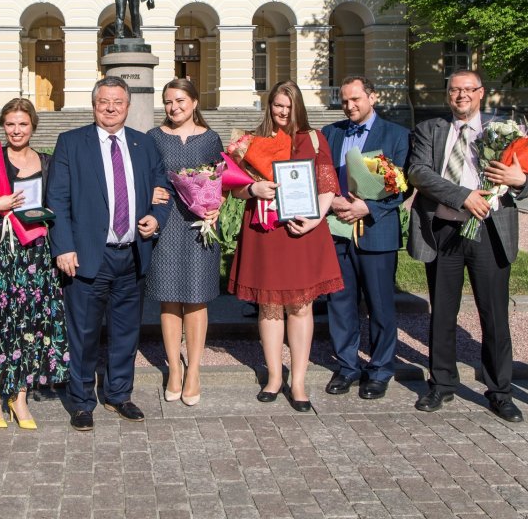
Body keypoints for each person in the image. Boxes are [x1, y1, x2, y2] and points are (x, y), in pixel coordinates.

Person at [406, 69, 528, 422]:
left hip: (490, 232)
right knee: (442, 314)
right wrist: (463, 197)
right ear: (447, 95)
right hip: (445, 230)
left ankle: (500, 391)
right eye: (454, 90)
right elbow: (418, 172)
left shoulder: (506, 132)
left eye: (468, 89)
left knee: (494, 316)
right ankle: (442, 383)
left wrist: (520, 180)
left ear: (481, 93)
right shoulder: (429, 130)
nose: (461, 95)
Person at [47, 76, 171, 431]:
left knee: (125, 331)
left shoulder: (143, 144)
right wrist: (64, 247)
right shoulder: (71, 143)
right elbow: (57, 199)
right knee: (83, 333)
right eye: (104, 101)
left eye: (118, 102)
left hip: (132, 254)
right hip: (87, 255)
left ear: (128, 106)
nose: (111, 108)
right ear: (94, 104)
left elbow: (162, 189)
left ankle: (119, 394)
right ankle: (83, 401)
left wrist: (155, 218)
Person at [227, 80, 341, 412]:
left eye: (288, 106)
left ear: (299, 107)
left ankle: (300, 380)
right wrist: (253, 191)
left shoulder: (314, 139)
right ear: (269, 105)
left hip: (302, 230)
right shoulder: (250, 140)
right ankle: (274, 376)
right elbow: (235, 188)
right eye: (277, 105)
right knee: (269, 306)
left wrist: (316, 219)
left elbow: (327, 184)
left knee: (301, 306)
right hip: (265, 232)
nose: (282, 111)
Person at [0, 98, 68, 429]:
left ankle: (19, 396)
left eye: (22, 124)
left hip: (35, 252)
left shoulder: (48, 162)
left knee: (30, 324)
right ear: (3, 126)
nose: (17, 130)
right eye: (10, 124)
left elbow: (59, 206)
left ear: (32, 126)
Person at [320, 76, 410, 400]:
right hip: (337, 230)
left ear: (373, 97)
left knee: (380, 306)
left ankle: (380, 369)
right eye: (344, 101)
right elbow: (321, 175)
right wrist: (331, 200)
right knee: (340, 304)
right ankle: (347, 366)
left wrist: (366, 206)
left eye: (356, 99)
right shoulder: (330, 134)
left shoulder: (397, 135)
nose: (350, 106)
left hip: (376, 231)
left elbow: (402, 186)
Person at [147, 79, 223, 406]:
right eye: (168, 102)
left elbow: (221, 178)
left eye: (179, 101)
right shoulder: (154, 138)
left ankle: (194, 370)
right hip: (166, 224)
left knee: (196, 298)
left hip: (198, 224)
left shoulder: (210, 138)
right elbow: (145, 176)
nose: (173, 107)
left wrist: (217, 207)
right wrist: (148, 192)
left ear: (194, 102)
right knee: (168, 298)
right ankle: (174, 367)